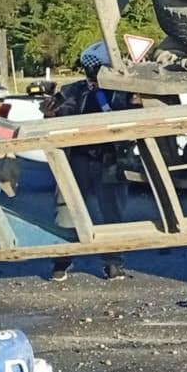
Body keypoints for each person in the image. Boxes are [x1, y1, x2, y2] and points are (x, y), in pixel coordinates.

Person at [46, 42, 132, 281]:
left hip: (111, 158)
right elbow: (56, 114)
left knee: (112, 212)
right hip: (79, 157)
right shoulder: (74, 90)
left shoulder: (123, 91)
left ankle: (113, 262)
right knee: (67, 209)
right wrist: (49, 111)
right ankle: (62, 259)